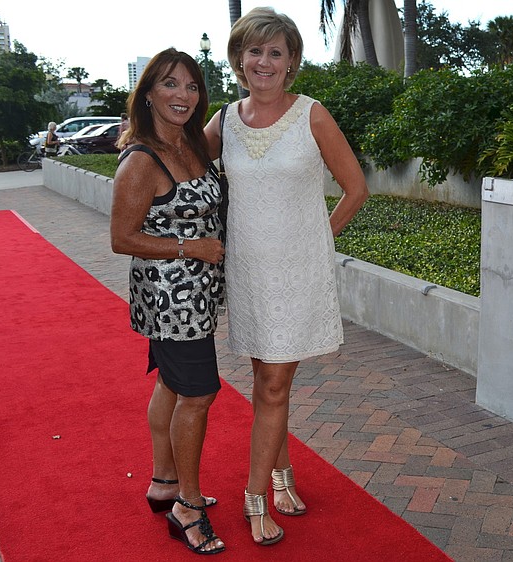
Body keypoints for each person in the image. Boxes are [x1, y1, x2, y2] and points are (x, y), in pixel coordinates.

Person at [204, 6, 368, 547]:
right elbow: (186, 169)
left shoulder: (312, 114)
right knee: (267, 382)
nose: (264, 61)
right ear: (239, 59)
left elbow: (355, 190)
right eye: (255, 50)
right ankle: (281, 475)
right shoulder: (225, 121)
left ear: (292, 62)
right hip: (247, 273)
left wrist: (317, 241)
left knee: (273, 383)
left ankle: (254, 499)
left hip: (295, 272)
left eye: (276, 52)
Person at [111, 47, 226, 556]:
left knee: (172, 384)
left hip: (197, 294)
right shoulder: (142, 158)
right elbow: (122, 237)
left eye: (192, 86)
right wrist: (191, 248)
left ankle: (163, 481)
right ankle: (189, 505)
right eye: (170, 84)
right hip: (169, 299)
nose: (183, 95)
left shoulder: (195, 143)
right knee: (199, 394)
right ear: (149, 93)